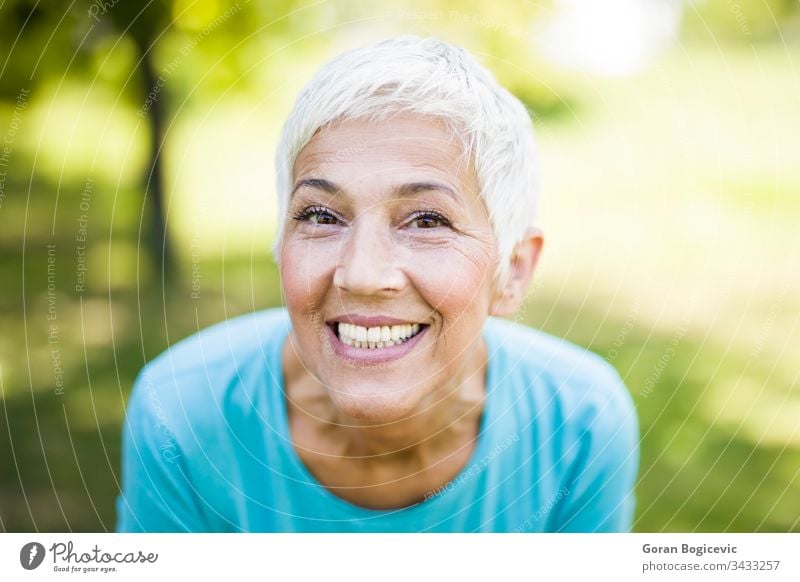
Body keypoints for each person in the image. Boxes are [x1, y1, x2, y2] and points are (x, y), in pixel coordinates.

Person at [116, 36, 639, 532]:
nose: (363, 275)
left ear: (514, 270)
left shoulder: (579, 423)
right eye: (321, 215)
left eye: (428, 221)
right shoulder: (182, 414)